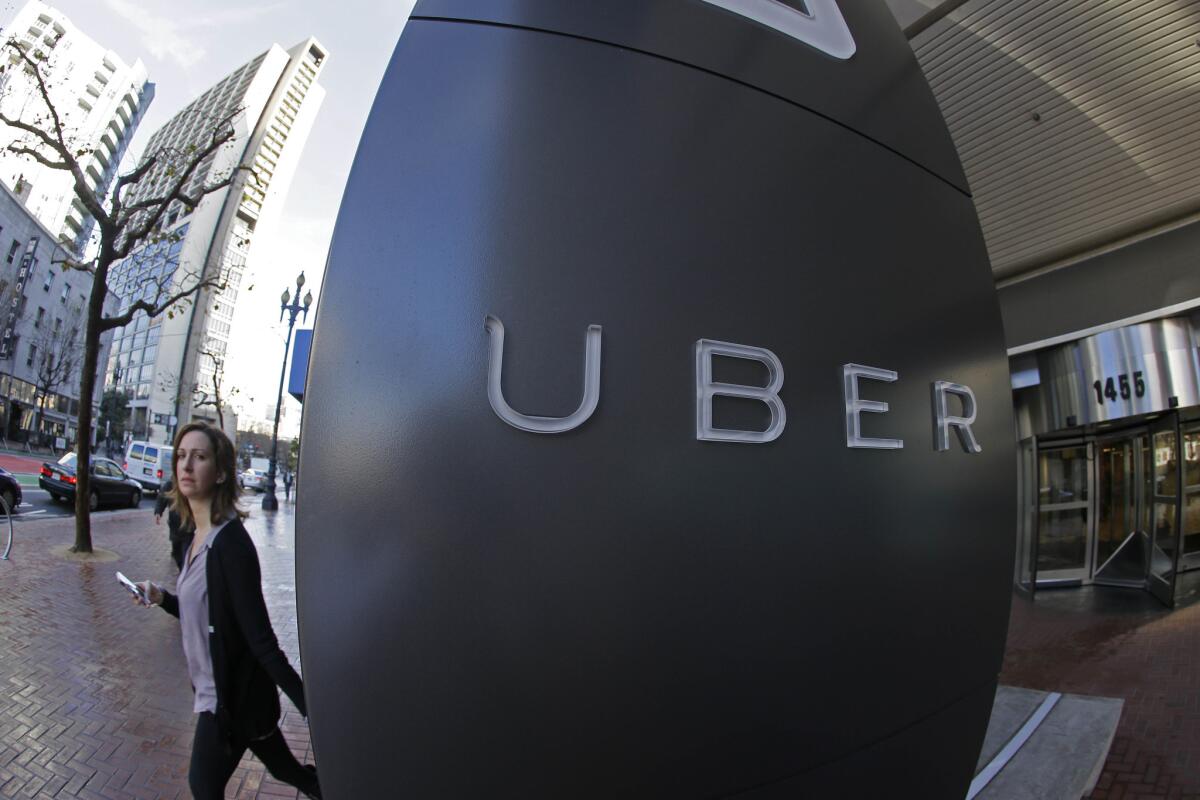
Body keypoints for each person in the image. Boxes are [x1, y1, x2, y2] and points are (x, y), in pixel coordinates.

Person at [132, 422, 322, 800]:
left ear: (220, 473)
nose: (186, 466)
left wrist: (310, 710)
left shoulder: (231, 545)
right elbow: (207, 617)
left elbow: (261, 640)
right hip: (220, 697)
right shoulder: (194, 536)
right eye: (181, 456)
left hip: (233, 703)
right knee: (287, 771)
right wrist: (161, 597)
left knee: (203, 785)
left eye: (199, 457)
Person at [153, 476, 186, 570]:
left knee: (186, 555)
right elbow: (162, 496)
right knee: (176, 552)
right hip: (175, 525)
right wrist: (158, 511)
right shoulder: (171, 483)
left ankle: (184, 573)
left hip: (189, 528)